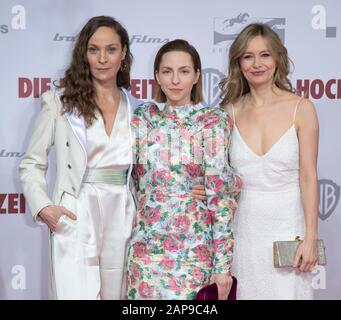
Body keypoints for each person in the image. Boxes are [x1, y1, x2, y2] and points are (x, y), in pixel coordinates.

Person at [19, 16, 142, 299]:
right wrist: (44, 207)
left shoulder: (136, 107)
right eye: (93, 49)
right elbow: (31, 163)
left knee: (121, 295)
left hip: (123, 214)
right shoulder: (59, 102)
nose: (102, 58)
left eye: (111, 49)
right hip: (76, 210)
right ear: (82, 54)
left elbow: (149, 172)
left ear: (123, 53)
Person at [126, 39, 242, 300]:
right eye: (167, 71)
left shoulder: (212, 120)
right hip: (145, 253)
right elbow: (126, 178)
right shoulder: (144, 116)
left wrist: (222, 266)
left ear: (197, 75)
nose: (175, 80)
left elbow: (220, 198)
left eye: (184, 71)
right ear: (156, 75)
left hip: (194, 252)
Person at [220, 23, 319, 299]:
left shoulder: (302, 109)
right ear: (238, 63)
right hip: (243, 229)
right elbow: (220, 175)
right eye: (248, 56)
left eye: (265, 55)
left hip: (289, 226)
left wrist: (310, 237)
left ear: (277, 58)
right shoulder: (228, 113)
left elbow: (309, 176)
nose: (256, 63)